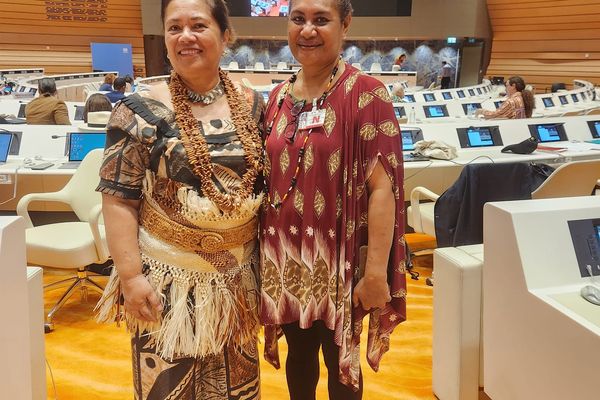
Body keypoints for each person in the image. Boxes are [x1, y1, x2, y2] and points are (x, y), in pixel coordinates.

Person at [94, 0, 264, 399]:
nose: (185, 36)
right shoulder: (137, 111)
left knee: (235, 386)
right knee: (170, 389)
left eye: (198, 26)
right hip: (166, 280)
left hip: (236, 280)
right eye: (174, 28)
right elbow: (119, 199)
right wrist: (132, 278)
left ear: (225, 36)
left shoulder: (254, 104)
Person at [260, 0, 407, 399]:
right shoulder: (276, 98)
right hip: (286, 258)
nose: (308, 30)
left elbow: (383, 189)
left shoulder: (366, 94)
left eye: (321, 20)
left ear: (345, 25)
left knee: (340, 363)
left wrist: (375, 272)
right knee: (300, 357)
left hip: (338, 259)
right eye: (298, 20)